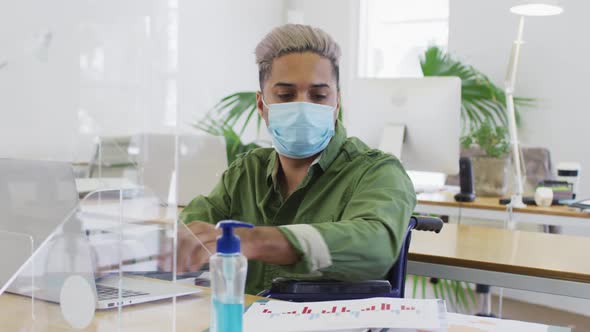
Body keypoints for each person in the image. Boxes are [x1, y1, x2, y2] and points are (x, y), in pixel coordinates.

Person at [178, 24, 416, 295]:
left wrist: (256, 241)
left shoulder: (377, 172)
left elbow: (376, 246)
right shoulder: (247, 171)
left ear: (336, 104)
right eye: (286, 95)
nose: (303, 105)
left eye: (319, 95)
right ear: (261, 105)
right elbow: (192, 228)